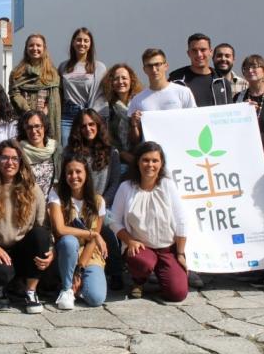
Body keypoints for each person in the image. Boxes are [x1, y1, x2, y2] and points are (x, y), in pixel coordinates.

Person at [0, 140, 51, 313]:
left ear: (21, 162)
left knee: (40, 235)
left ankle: (31, 291)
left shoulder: (33, 189)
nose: (10, 163)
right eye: (5, 158)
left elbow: (42, 226)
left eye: (15, 159)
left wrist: (49, 249)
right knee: (2, 272)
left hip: (22, 250)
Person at [110, 141, 189, 302]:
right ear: (138, 162)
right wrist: (129, 240)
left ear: (161, 164)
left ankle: (163, 274)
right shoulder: (126, 188)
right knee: (143, 263)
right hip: (140, 248)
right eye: (145, 160)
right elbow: (114, 220)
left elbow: (181, 220)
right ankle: (138, 281)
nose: (150, 165)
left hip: (167, 248)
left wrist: (180, 253)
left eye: (155, 161)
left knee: (177, 294)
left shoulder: (167, 185)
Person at [66, 108, 124, 290]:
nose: (88, 129)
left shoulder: (111, 152)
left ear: (98, 126)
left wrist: (100, 204)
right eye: (83, 126)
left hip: (102, 205)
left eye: (92, 124)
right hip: (77, 205)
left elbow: (114, 183)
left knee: (109, 228)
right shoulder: (71, 153)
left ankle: (116, 272)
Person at [49, 154, 108, 309]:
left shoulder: (98, 201)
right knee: (69, 240)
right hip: (66, 251)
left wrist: (79, 270)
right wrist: (92, 233)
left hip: (89, 254)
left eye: (78, 172)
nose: (74, 176)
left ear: (86, 174)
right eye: (69, 172)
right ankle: (67, 289)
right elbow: (60, 229)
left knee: (96, 298)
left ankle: (77, 285)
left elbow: (93, 242)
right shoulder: (56, 195)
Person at [128, 48, 196, 144]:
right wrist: (134, 125)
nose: (154, 69)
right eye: (149, 66)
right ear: (144, 69)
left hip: (179, 148)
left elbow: (194, 123)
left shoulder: (183, 92)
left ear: (166, 66)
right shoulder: (137, 100)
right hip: (152, 155)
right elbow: (134, 141)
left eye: (157, 64)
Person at [57, 27, 108, 146]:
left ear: (90, 44)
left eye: (86, 41)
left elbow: (101, 96)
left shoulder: (99, 67)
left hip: (89, 115)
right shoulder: (63, 66)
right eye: (79, 40)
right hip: (67, 116)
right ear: (73, 42)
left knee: (89, 149)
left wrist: (94, 117)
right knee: (67, 151)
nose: (82, 43)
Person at [9, 33, 62, 142]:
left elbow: (56, 95)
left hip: (46, 121)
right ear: (26, 48)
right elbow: (14, 94)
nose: (35, 48)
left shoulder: (52, 73)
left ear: (44, 48)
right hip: (23, 120)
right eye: (31, 45)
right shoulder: (16, 73)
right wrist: (28, 111)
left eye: (38, 45)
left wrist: (45, 110)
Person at [99, 63, 143, 169]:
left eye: (124, 78)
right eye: (116, 79)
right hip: (117, 159)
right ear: (111, 83)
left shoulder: (140, 103)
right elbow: (107, 137)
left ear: (131, 81)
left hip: (140, 158)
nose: (120, 82)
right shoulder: (106, 108)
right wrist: (123, 154)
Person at [168, 33, 231, 107]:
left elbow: (230, 112)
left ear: (211, 52)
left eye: (203, 50)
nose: (199, 54)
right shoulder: (176, 80)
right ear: (188, 53)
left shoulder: (221, 82)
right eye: (194, 50)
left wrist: (247, 105)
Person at [17, 109, 62, 199]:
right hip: (28, 202)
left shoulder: (56, 149)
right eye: (29, 127)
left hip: (53, 203)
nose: (34, 131)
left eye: (37, 126)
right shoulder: (18, 152)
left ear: (44, 127)